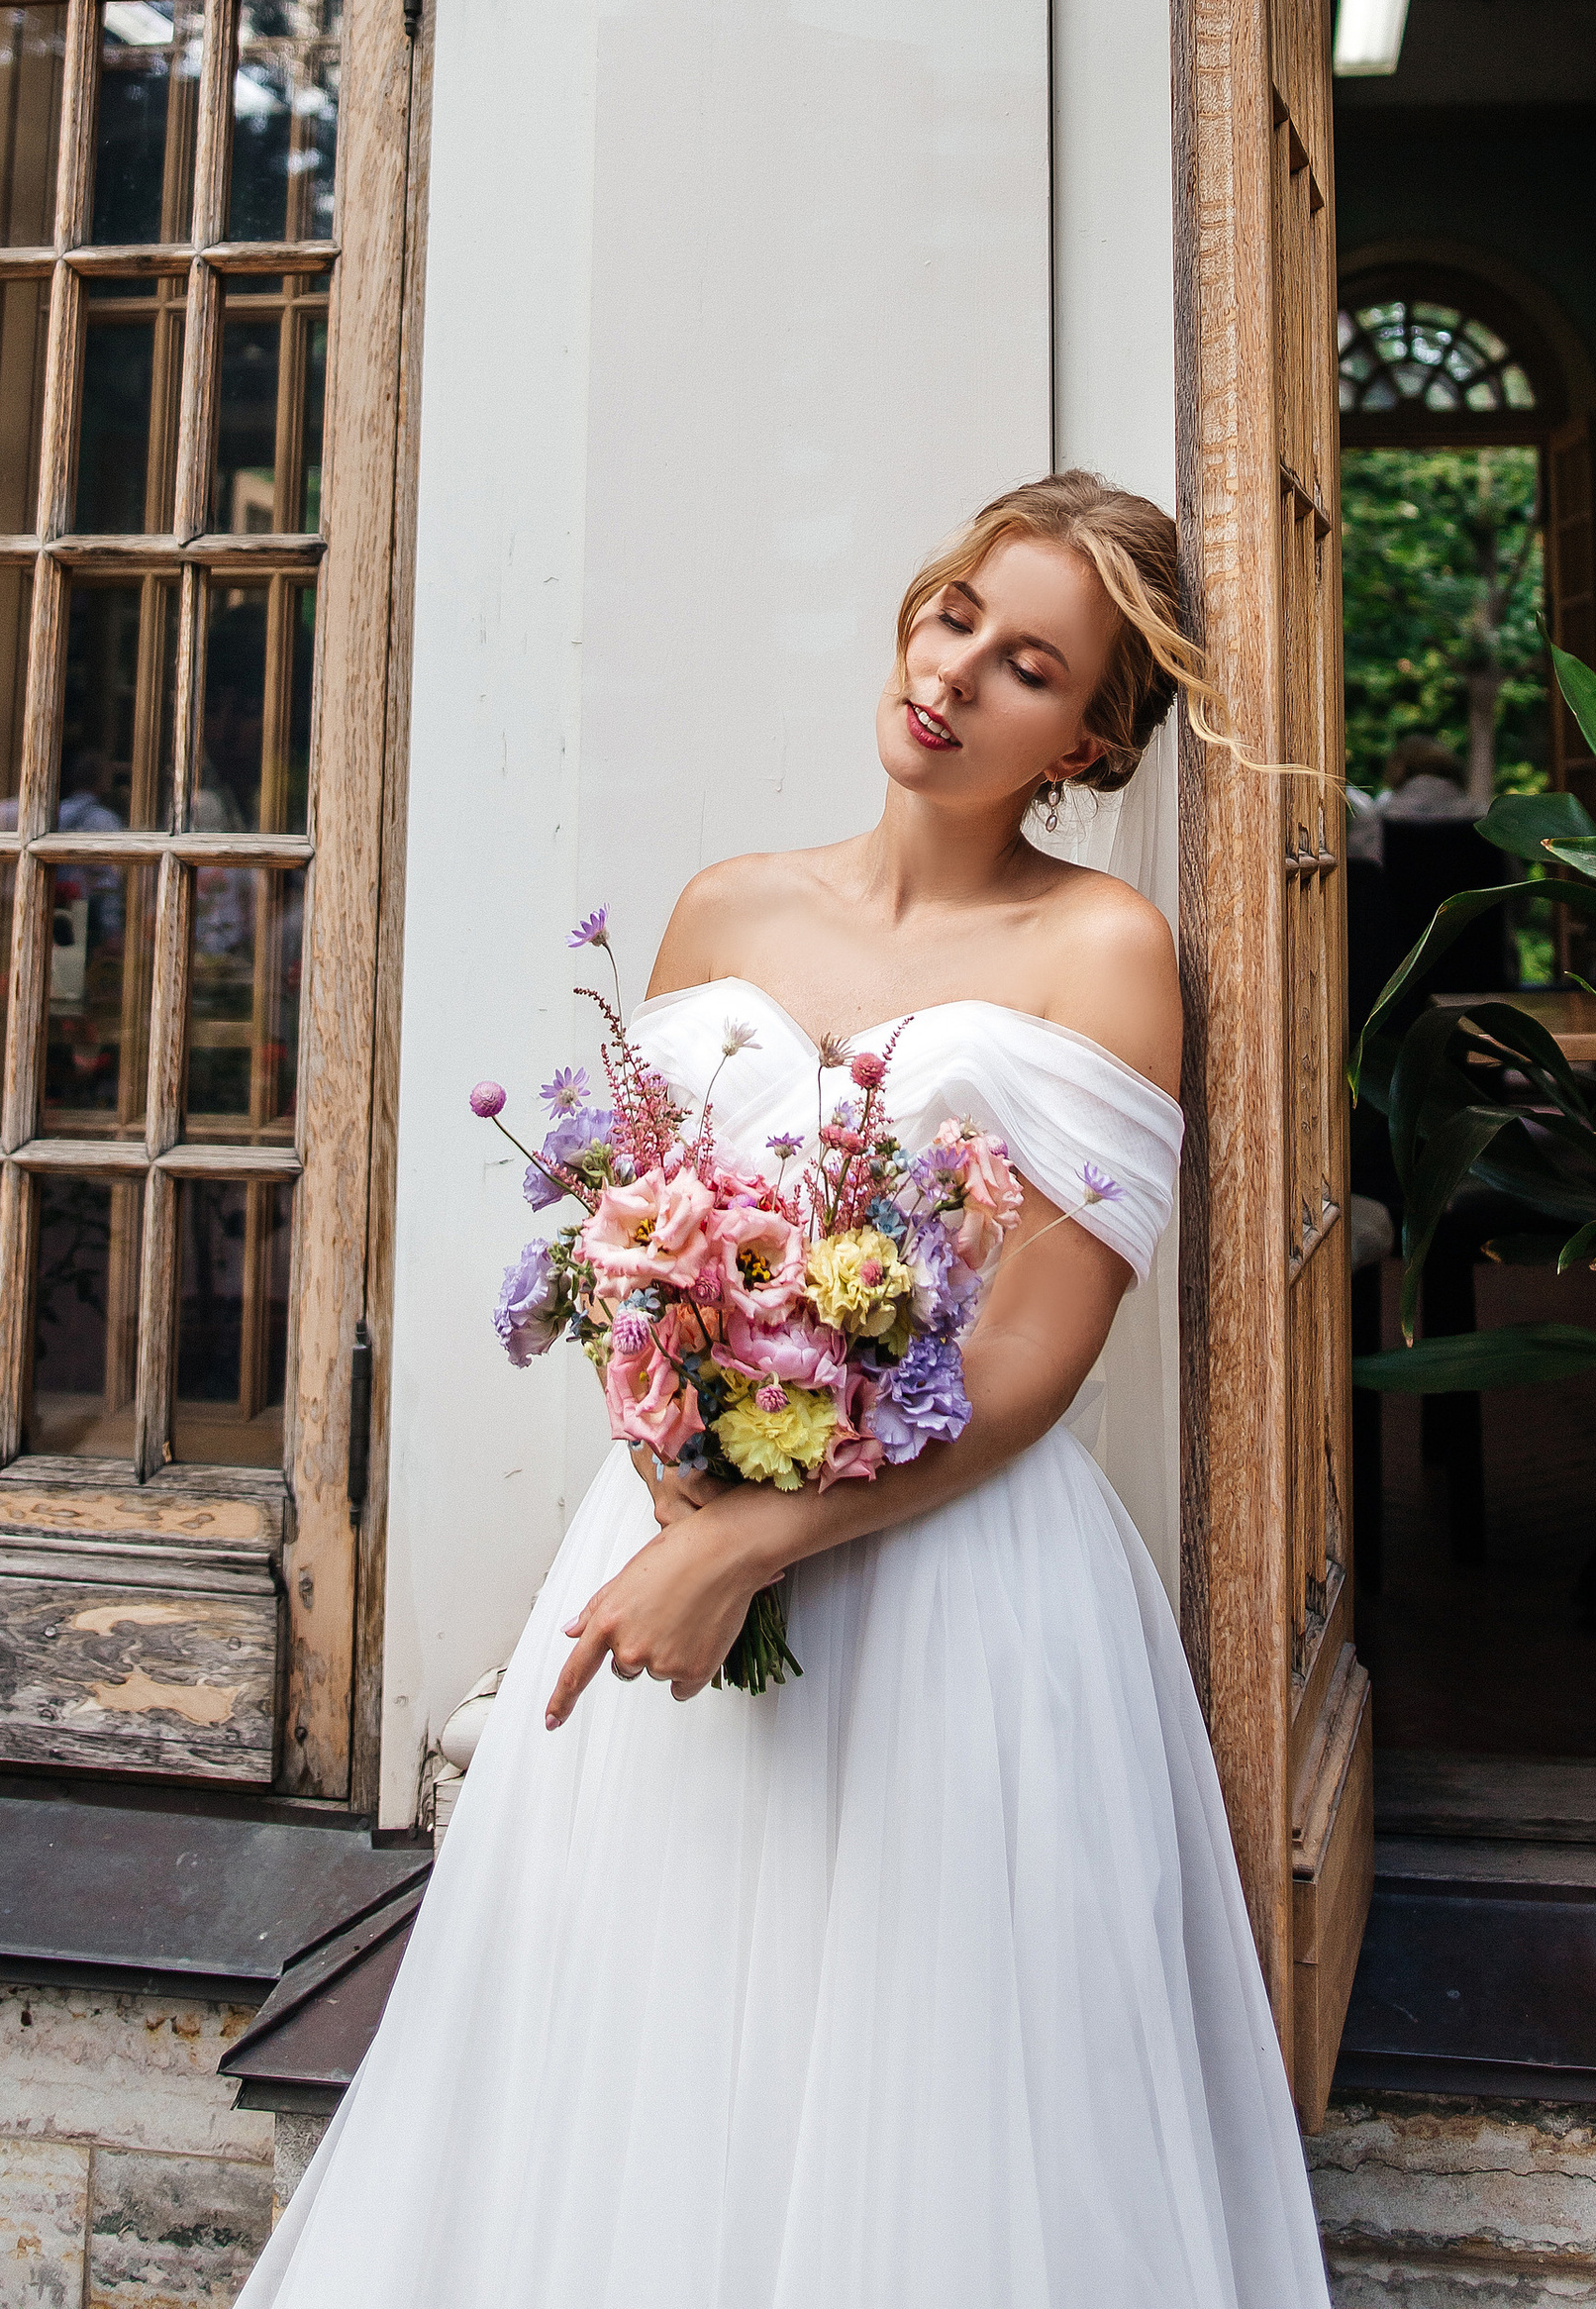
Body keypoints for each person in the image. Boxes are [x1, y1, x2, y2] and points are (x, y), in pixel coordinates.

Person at [238, 469, 1329, 2309]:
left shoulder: (1104, 956)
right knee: (637, 2062)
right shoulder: (722, 907)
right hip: (667, 1537)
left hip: (957, 1588)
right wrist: (676, 1501)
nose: (959, 670)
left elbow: (1033, 1357)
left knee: (929, 2093)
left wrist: (741, 1552)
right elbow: (631, 1245)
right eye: (959, 611)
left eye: (1033, 665)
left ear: (1094, 737)